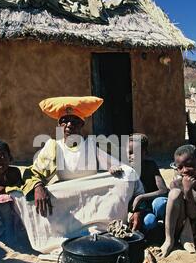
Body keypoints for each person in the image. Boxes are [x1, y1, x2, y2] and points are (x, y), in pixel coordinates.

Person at [10, 96, 144, 252]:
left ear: (82, 124)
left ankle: (103, 226)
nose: (69, 125)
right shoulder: (54, 146)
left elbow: (119, 167)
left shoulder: (91, 144)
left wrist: (112, 168)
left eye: (74, 121)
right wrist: (39, 186)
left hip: (92, 196)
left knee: (127, 175)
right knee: (28, 198)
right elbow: (33, 172)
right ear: (59, 124)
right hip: (68, 197)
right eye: (65, 121)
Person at [129, 134, 168, 233]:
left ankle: (169, 229)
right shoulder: (126, 171)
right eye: (129, 153)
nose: (131, 157)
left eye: (136, 153)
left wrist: (141, 197)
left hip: (152, 203)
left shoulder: (150, 166)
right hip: (139, 209)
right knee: (149, 222)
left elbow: (163, 190)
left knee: (161, 204)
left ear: (145, 153)